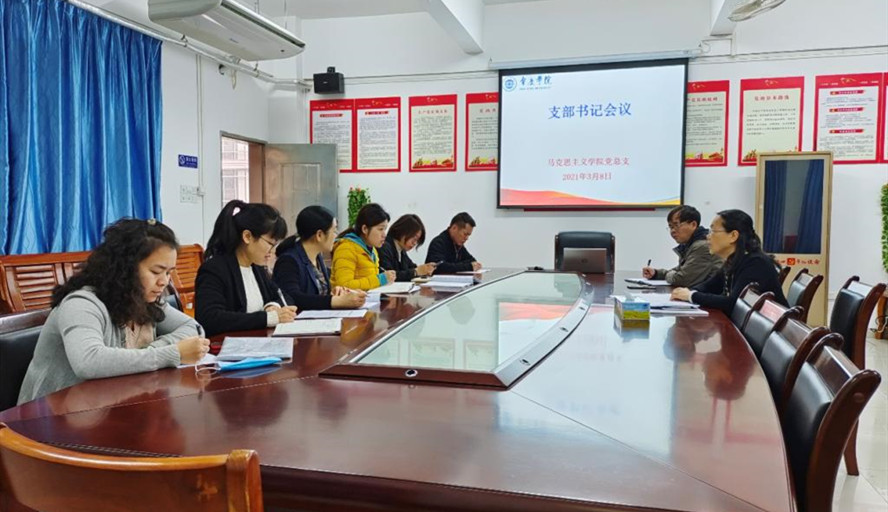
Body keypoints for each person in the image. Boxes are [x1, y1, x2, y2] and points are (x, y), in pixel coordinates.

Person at [18, 219, 209, 403]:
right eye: (156, 272)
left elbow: (194, 328)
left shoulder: (144, 299)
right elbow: (89, 361)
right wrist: (172, 353)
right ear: (125, 267)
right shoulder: (81, 303)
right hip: (49, 415)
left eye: (168, 273)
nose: (164, 281)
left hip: (108, 405)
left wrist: (152, 350)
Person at [195, 200, 296, 336]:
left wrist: (273, 306)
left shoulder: (256, 268)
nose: (272, 251)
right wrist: (268, 318)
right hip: (228, 345)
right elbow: (210, 318)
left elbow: (284, 296)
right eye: (270, 244)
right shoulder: (215, 269)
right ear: (247, 237)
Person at [671, 209, 788, 314]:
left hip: (773, 329)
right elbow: (711, 285)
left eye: (713, 231)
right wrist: (688, 291)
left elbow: (733, 303)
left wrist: (691, 295)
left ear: (733, 236)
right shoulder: (734, 260)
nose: (708, 236)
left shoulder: (756, 263)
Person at [273, 205, 366, 309]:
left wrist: (335, 292)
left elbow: (318, 295)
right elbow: (292, 298)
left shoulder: (317, 256)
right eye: (334, 230)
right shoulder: (288, 261)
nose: (336, 235)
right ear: (319, 235)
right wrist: (334, 301)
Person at [642, 205, 722, 287]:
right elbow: (679, 271)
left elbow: (681, 280)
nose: (672, 231)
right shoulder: (690, 245)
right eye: (670, 227)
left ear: (693, 224)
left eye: (676, 225)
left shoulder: (702, 246)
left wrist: (670, 275)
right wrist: (656, 273)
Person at [331, 203, 396, 290]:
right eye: (380, 229)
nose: (384, 235)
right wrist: (379, 280)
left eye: (385, 229)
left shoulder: (372, 249)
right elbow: (344, 286)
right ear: (365, 229)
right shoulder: (346, 249)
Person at [378, 214, 437, 281]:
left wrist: (425, 269)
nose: (415, 243)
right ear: (402, 231)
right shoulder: (384, 247)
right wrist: (416, 272)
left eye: (417, 241)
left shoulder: (401, 251)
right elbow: (388, 276)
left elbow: (412, 267)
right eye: (414, 239)